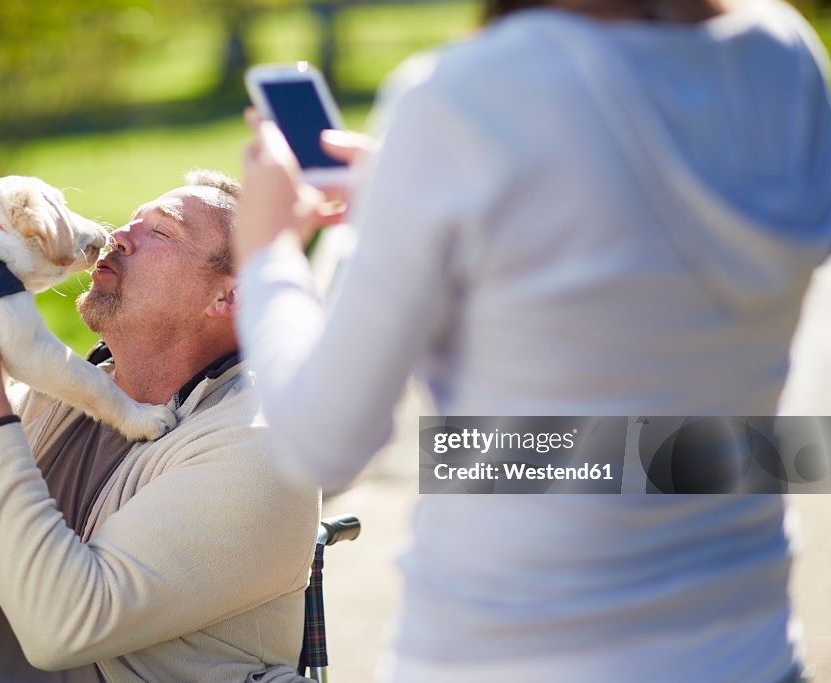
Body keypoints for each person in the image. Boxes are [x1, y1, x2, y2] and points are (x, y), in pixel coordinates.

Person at [233, 0, 831, 681]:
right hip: (748, 647)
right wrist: (410, 196)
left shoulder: (465, 99)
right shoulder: (785, 56)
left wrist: (268, 249)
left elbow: (322, 445)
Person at [0, 170, 320, 681]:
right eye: (133, 220)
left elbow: (64, 631)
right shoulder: (54, 398)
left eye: (161, 232)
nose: (119, 235)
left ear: (228, 299)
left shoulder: (260, 449)